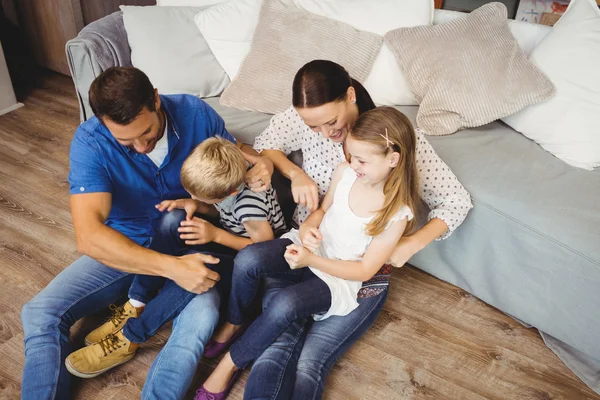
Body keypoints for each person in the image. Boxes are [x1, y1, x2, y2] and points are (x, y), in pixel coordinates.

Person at [209, 59, 473, 400]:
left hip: (353, 273)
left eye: (331, 122)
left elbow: (456, 201)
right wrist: (295, 174)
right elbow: (266, 145)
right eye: (313, 127)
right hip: (305, 243)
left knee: (308, 363)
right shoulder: (310, 121)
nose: (324, 134)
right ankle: (232, 342)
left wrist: (411, 243)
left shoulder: (392, 140)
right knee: (274, 348)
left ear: (350, 96)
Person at [19, 67, 273, 400]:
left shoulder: (195, 114)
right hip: (125, 249)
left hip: (190, 245)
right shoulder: (91, 141)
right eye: (127, 141)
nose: (140, 146)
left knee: (197, 327)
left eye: (148, 132)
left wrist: (268, 162)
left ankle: (133, 334)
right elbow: (89, 236)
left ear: (155, 98)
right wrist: (169, 268)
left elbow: (233, 161)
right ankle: (133, 305)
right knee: (38, 313)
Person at [196, 107, 420, 400]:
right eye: (352, 156)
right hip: (310, 248)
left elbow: (364, 271)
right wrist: (306, 232)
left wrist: (311, 259)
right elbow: (322, 211)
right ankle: (235, 322)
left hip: (337, 276)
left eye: (363, 160)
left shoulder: (397, 213)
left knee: (285, 304)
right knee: (249, 259)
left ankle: (228, 364)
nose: (354, 165)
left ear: (393, 159)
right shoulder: (346, 172)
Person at [64, 136, 287, 379]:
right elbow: (219, 206)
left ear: (230, 191)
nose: (197, 199)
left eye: (202, 197)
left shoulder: (249, 207)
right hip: (233, 239)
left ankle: (130, 338)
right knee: (172, 219)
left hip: (251, 267)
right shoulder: (231, 175)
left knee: (196, 264)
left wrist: (216, 235)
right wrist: (192, 204)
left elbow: (263, 249)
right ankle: (137, 302)